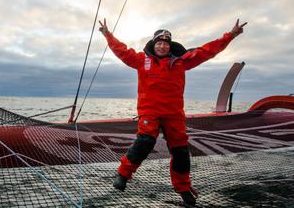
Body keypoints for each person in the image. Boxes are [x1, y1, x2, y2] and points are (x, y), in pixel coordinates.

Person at [98, 18, 247, 207]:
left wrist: (231, 35)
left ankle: (184, 189)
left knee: (181, 152)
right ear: (153, 44)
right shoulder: (141, 60)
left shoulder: (181, 62)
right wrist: (107, 34)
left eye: (165, 43)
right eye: (159, 43)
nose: (162, 46)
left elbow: (208, 51)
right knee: (145, 141)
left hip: (174, 114)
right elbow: (121, 51)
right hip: (149, 111)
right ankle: (123, 174)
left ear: (170, 46)